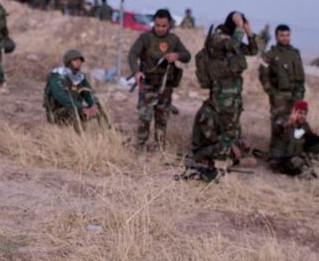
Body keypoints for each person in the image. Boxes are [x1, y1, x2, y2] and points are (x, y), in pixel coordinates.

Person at [189, 11, 262, 173]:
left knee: (233, 125)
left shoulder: (233, 39)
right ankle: (222, 156)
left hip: (234, 92)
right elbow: (233, 44)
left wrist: (248, 31)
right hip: (221, 92)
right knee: (225, 125)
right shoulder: (218, 37)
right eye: (239, 22)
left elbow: (253, 50)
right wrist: (239, 27)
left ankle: (230, 153)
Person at [128, 9, 191, 151]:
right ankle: (139, 148)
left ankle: (159, 150)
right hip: (148, 84)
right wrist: (136, 72)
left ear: (169, 25)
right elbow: (132, 54)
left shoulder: (173, 40)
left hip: (165, 86)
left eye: (164, 26)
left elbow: (187, 56)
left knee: (162, 118)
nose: (160, 29)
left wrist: (177, 55)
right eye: (157, 25)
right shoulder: (145, 38)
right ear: (153, 23)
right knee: (145, 117)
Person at [260, 24, 305, 145]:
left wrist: (300, 93)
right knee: (278, 124)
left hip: (295, 95)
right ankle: (276, 152)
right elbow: (263, 75)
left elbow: (300, 75)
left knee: (296, 123)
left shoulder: (295, 53)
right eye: (282, 35)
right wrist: (272, 93)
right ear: (276, 37)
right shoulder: (270, 55)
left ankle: (293, 150)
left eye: (287, 35)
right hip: (279, 95)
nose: (285, 38)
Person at [269, 100, 319, 178]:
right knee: (298, 163)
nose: (302, 116)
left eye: (305, 114)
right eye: (300, 113)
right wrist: (289, 122)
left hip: (295, 156)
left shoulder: (304, 125)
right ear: (294, 112)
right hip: (280, 159)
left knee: (315, 153)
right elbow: (276, 128)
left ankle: (310, 170)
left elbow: (315, 139)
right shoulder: (283, 120)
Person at [44, 49, 100, 126]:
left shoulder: (80, 77)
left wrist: (93, 104)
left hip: (78, 108)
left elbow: (88, 93)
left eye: (80, 60)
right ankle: (80, 135)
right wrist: (82, 107)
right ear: (68, 62)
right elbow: (61, 97)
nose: (79, 62)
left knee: (98, 107)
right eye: (75, 60)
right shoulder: (57, 76)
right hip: (57, 113)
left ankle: (107, 130)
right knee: (73, 110)